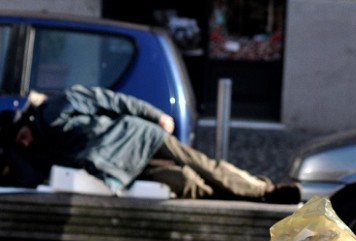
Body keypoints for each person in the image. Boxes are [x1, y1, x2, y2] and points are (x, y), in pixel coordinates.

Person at [0, 85, 295, 202]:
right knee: (181, 179)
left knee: (200, 163)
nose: (24, 142)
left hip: (135, 135)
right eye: (18, 142)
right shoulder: (33, 150)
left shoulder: (59, 105)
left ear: (26, 121)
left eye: (21, 135)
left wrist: (155, 116)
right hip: (115, 166)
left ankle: (262, 191)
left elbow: (114, 100)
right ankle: (237, 193)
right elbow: (28, 177)